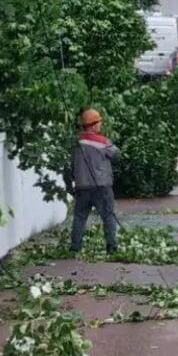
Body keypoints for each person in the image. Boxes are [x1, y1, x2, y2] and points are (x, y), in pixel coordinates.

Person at [66, 108, 121, 254]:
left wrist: (68, 185)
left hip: (82, 187)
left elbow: (68, 167)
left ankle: (74, 248)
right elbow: (116, 156)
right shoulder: (103, 142)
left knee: (79, 218)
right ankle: (112, 248)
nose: (100, 125)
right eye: (99, 123)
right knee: (108, 217)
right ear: (93, 124)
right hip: (101, 187)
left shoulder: (75, 143)